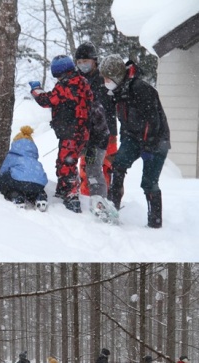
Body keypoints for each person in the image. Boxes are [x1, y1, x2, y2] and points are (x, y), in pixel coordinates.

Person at [98, 54, 170, 228]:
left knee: (149, 182)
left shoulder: (140, 88)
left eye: (107, 78)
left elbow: (152, 121)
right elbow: (124, 121)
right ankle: (112, 207)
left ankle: (155, 221)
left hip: (156, 140)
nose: (105, 81)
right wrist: (125, 142)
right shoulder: (119, 91)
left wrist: (147, 146)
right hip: (133, 137)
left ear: (116, 76)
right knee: (118, 165)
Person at [29, 55, 93, 213]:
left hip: (72, 132)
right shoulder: (82, 82)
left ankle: (71, 196)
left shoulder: (67, 85)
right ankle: (64, 189)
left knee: (66, 163)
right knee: (65, 161)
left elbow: (47, 100)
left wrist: (36, 90)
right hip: (81, 131)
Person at [74, 42, 117, 199]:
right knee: (87, 167)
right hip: (87, 134)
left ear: (94, 61)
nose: (83, 65)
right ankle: (89, 199)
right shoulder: (77, 81)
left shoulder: (104, 80)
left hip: (107, 134)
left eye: (86, 61)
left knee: (105, 167)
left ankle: (104, 200)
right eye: (79, 62)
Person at [0, 125, 49, 210]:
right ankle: (40, 196)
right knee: (32, 190)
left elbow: (3, 170)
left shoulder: (12, 155)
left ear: (15, 143)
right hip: (39, 184)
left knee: (4, 180)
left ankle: (16, 196)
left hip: (18, 182)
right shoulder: (33, 157)